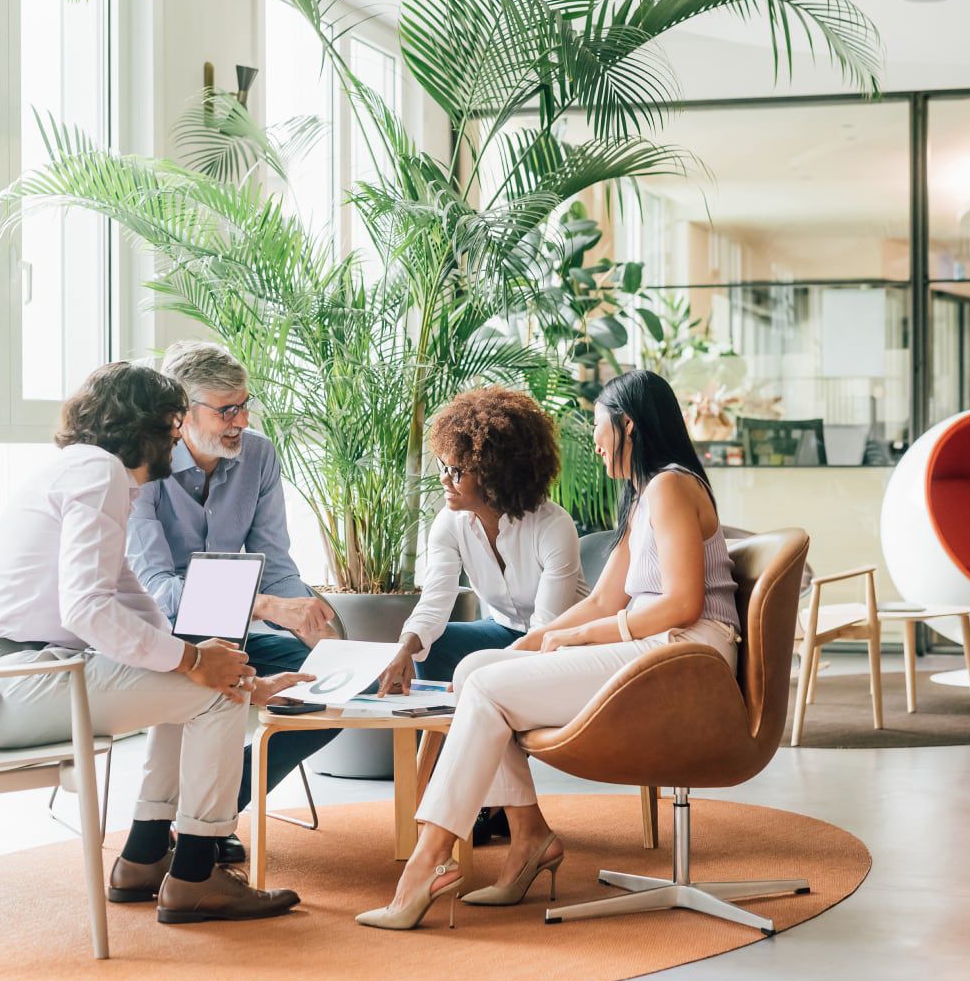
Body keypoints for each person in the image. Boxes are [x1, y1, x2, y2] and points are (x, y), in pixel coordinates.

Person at [356, 369, 740, 930]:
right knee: (473, 672)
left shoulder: (673, 485)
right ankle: (530, 837)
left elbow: (682, 602)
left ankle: (424, 868)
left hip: (685, 655)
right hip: (655, 647)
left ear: (627, 425)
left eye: (600, 427)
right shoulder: (647, 496)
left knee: (485, 686)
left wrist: (575, 635)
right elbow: (607, 597)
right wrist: (538, 642)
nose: (598, 441)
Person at [0, 362, 308, 924]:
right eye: (172, 422)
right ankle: (195, 875)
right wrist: (198, 664)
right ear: (148, 425)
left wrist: (229, 672)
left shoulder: (85, 471)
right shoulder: (99, 474)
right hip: (14, 684)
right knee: (211, 694)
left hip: (9, 679)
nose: (177, 435)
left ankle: (143, 858)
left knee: (197, 685)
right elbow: (87, 609)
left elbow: (131, 599)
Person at [127, 341, 340, 861]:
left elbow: (277, 562)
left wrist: (313, 626)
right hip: (169, 640)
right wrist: (265, 607)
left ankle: (214, 810)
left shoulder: (259, 455)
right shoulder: (143, 465)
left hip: (239, 633)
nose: (240, 420)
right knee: (223, 685)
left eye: (243, 405)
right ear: (180, 413)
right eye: (226, 409)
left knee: (337, 688)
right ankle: (203, 828)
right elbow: (158, 591)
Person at [376, 386, 586, 695]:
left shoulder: (552, 526)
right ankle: (436, 736)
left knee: (480, 670)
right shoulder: (449, 524)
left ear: (494, 473)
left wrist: (480, 674)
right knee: (432, 645)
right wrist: (405, 647)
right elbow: (434, 604)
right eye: (442, 466)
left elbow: (544, 630)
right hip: (504, 630)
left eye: (456, 471)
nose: (444, 479)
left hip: (564, 643)